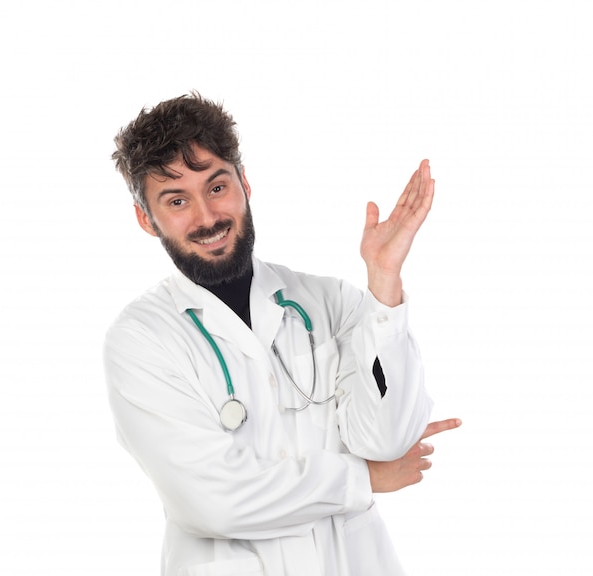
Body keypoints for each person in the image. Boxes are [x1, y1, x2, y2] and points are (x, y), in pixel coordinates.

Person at [104, 92, 461, 576]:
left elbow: (388, 440)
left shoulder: (330, 303)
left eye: (216, 187)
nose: (207, 217)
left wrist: (384, 285)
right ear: (147, 219)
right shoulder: (141, 340)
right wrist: (361, 480)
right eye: (176, 200)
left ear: (245, 183)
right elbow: (214, 501)